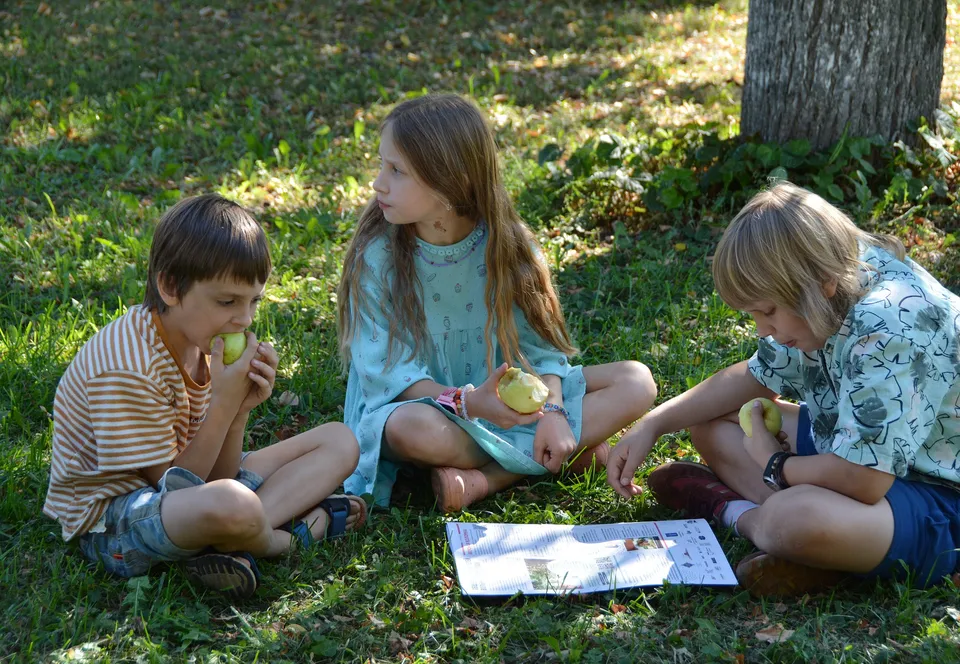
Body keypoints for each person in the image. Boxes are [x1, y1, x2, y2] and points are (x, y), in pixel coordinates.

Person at [607, 181, 960, 597]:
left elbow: (863, 480)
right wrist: (654, 423)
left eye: (768, 311)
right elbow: (754, 377)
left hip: (939, 492)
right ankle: (821, 553)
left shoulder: (889, 326)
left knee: (794, 519)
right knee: (711, 422)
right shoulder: (835, 280)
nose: (763, 330)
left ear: (822, 283)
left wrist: (776, 465)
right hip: (866, 451)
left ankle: (739, 514)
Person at [337, 93, 656, 511]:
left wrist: (556, 411)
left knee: (637, 381)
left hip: (510, 400)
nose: (379, 182)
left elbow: (538, 350)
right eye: (383, 165)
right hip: (430, 408)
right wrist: (470, 404)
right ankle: (564, 453)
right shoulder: (377, 258)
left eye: (396, 170)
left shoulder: (507, 246)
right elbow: (391, 379)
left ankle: (487, 480)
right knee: (409, 429)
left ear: (451, 181)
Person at [44, 194, 365, 599]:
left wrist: (238, 412)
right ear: (170, 286)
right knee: (232, 504)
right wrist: (224, 405)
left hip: (191, 491)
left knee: (340, 439)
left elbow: (217, 477)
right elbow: (175, 489)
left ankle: (234, 536)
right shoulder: (128, 368)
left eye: (253, 302)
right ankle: (281, 540)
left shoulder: (197, 341)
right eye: (227, 301)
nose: (245, 319)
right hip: (113, 522)